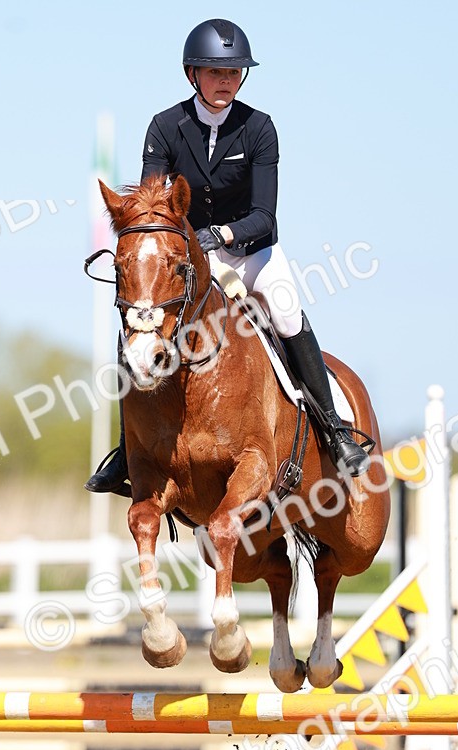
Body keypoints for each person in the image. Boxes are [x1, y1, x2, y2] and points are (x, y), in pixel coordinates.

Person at [86, 17, 371, 493]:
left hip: (251, 250)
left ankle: (335, 431)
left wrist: (222, 234)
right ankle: (126, 450)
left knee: (286, 311)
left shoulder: (259, 128)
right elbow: (151, 201)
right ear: (193, 74)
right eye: (215, 72)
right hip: (189, 257)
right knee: (142, 322)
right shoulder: (165, 127)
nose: (226, 81)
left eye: (234, 72)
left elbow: (265, 215)